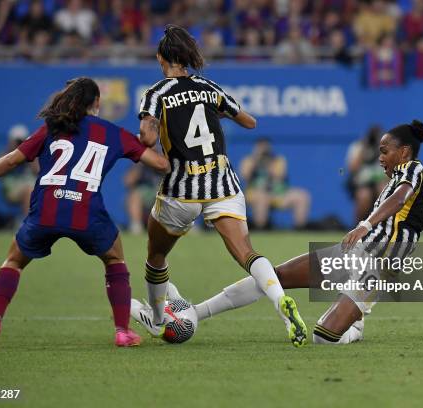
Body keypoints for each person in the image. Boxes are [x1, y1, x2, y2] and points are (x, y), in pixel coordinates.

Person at [188, 120, 423, 344]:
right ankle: (194, 314)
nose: (380, 156)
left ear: (404, 151)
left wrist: (367, 222)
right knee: (273, 278)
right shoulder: (421, 181)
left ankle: (355, 326)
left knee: (324, 337)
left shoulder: (414, 173)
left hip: (376, 268)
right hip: (352, 252)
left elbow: (399, 199)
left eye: (385, 150)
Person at [0, 77, 170, 348]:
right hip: (86, 211)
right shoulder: (113, 133)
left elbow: (11, 160)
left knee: (13, 262)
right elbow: (161, 164)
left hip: (46, 209)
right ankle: (122, 331)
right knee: (115, 260)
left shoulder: (51, 129)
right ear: (97, 103)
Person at [131, 25, 308, 347]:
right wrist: (214, 113)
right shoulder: (209, 88)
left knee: (156, 256)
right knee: (247, 253)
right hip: (223, 183)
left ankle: (157, 321)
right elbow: (249, 121)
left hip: (182, 189)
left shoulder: (156, 93)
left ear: (161, 58)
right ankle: (280, 301)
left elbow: (148, 137)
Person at [240, 138, 311, 230]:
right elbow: (245, 176)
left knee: (302, 196)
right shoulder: (248, 160)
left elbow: (279, 176)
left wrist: (268, 163)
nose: (264, 149)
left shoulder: (278, 160)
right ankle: (260, 229)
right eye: (261, 146)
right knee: (262, 198)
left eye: (266, 146)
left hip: (277, 193)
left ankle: (299, 229)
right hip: (255, 193)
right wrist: (256, 159)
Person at [345, 125, 387, 224]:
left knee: (384, 189)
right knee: (364, 196)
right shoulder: (358, 146)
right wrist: (364, 149)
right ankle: (357, 227)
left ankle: (384, 226)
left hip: (381, 181)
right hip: (360, 183)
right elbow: (352, 168)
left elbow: (392, 171)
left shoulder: (387, 149)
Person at [0, 124, 38, 223]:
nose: (18, 143)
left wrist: (29, 152)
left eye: (21, 141)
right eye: (17, 141)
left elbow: (38, 171)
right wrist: (13, 153)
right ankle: (27, 223)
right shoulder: (4, 155)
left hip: (31, 187)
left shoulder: (31, 155)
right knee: (28, 190)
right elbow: (0, 172)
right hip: (12, 189)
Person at [124, 162, 163, 234]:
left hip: (162, 193)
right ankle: (136, 227)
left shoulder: (166, 160)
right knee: (134, 195)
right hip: (146, 194)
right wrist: (138, 166)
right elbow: (128, 181)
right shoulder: (141, 163)